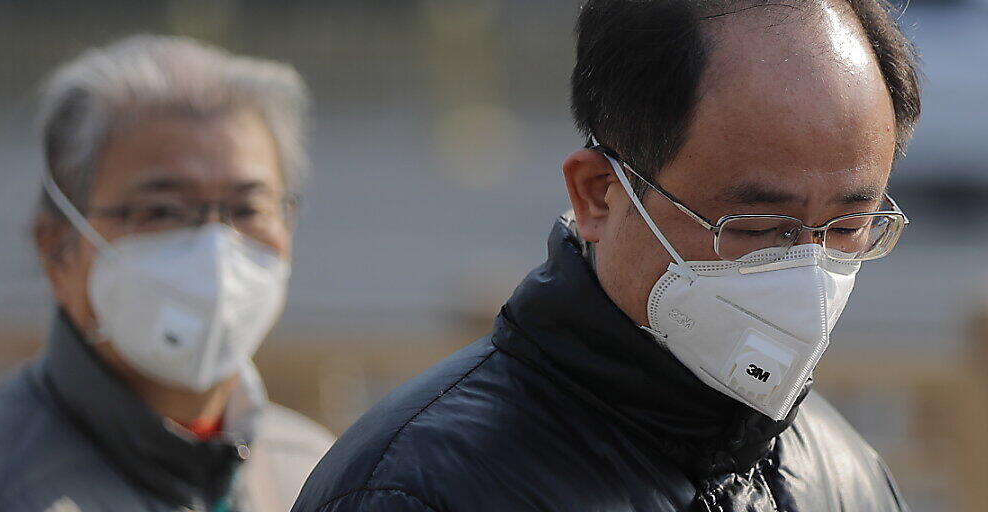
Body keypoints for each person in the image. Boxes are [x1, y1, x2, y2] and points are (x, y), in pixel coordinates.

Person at [292, 0, 921, 510]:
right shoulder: (421, 490)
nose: (808, 274)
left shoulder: (844, 474)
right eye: (757, 224)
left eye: (849, 223)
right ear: (599, 193)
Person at [0, 35, 334, 512]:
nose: (216, 250)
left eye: (247, 208)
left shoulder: (316, 475)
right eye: (161, 211)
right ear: (58, 250)